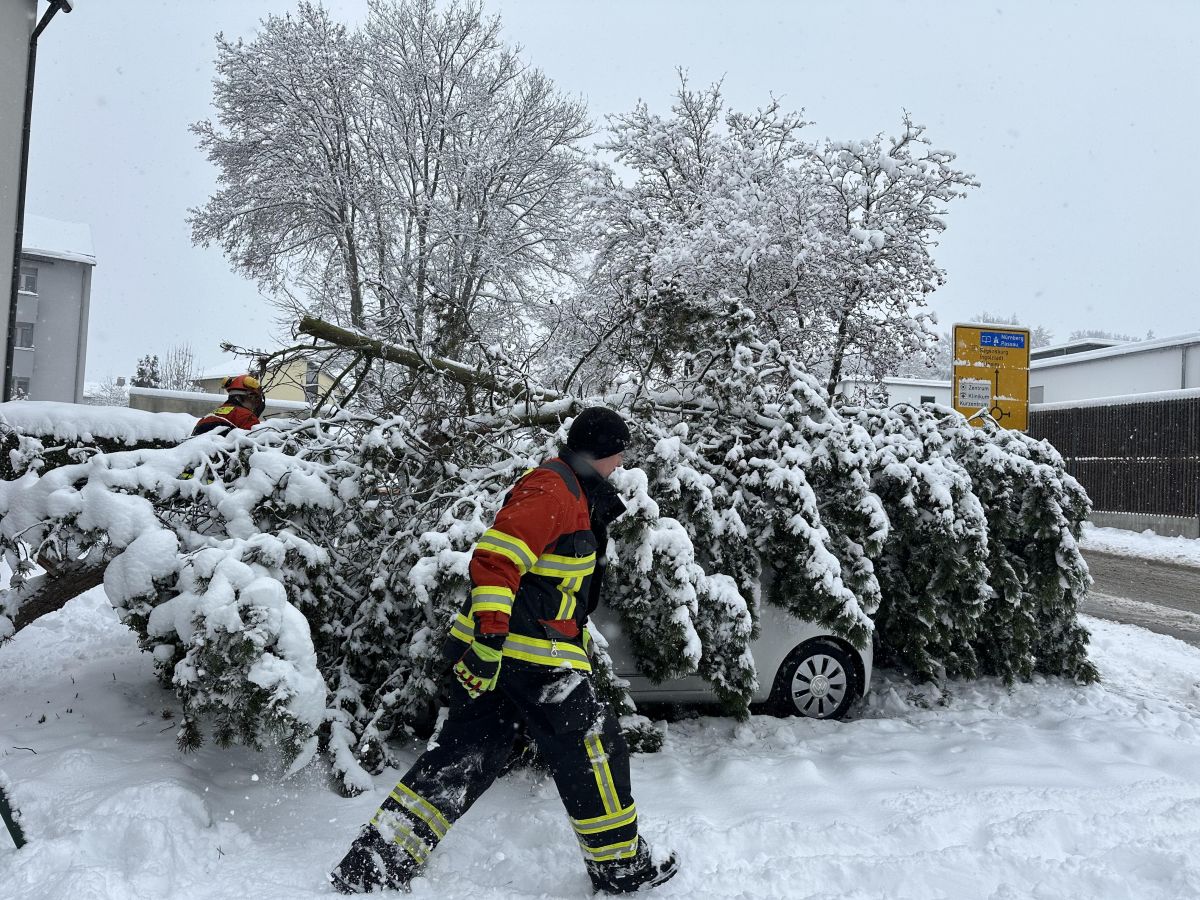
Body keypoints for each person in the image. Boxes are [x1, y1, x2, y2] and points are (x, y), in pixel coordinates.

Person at [330, 407, 679, 895]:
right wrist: (490, 642)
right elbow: (496, 560)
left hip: (518, 655)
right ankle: (620, 868)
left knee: (466, 754)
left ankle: (377, 863)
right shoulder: (552, 489)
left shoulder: (573, 491)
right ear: (603, 451)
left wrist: (490, 647)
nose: (622, 462)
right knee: (592, 749)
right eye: (619, 451)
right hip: (532, 657)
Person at [190, 374, 266, 436]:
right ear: (250, 397)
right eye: (256, 399)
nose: (255, 406)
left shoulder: (208, 417)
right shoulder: (247, 418)